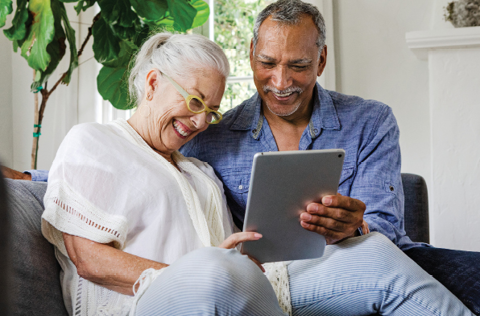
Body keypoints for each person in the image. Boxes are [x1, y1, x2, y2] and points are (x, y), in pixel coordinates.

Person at [35, 30, 472, 316]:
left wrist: (239, 262)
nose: (202, 122)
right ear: (151, 84)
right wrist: (206, 267)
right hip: (150, 301)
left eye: (211, 109)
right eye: (193, 102)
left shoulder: (197, 168)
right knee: (213, 269)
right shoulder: (93, 141)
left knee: (374, 253)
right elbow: (88, 258)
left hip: (242, 287)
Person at [179, 0, 480, 314]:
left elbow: (388, 228)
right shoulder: (209, 140)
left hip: (379, 255)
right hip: (291, 280)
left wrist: (356, 227)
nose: (281, 82)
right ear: (251, 52)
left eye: (298, 66)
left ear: (321, 61)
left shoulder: (371, 120)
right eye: (267, 63)